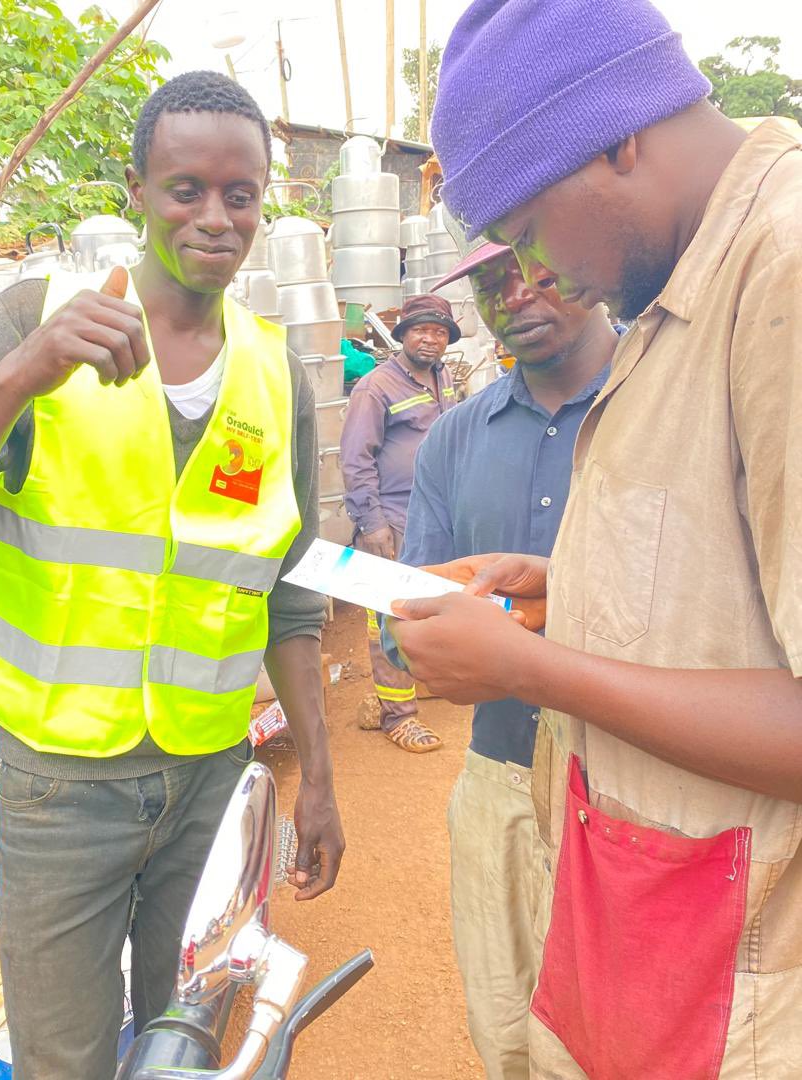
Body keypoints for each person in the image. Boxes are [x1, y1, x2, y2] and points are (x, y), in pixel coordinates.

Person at [0, 71, 344, 1080]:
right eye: (185, 190)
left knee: (187, 1048)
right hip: (60, 792)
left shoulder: (271, 372)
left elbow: (290, 596)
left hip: (209, 784)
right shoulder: (31, 322)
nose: (215, 218)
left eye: (241, 194)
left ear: (264, 201)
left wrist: (321, 785)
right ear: (137, 189)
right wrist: (18, 376)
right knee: (67, 1061)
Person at [391, 2, 802, 1077]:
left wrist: (539, 668)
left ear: (618, 133)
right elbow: (733, 597)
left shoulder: (787, 272)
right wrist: (565, 584)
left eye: (529, 230)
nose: (539, 276)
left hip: (746, 980)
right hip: (659, 926)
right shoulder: (688, 286)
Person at [395, 241, 619, 1078]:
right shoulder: (454, 438)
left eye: (541, 265)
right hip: (497, 777)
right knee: (505, 1022)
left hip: (634, 786)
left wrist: (536, 626)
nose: (518, 294)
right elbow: (406, 619)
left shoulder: (662, 407)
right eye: (492, 280)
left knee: (614, 1038)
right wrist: (428, 639)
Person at [340, 294, 461, 752]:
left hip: (438, 513)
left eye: (439, 332)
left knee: (437, 603)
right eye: (421, 330)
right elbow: (354, 460)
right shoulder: (375, 387)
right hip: (392, 516)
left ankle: (427, 682)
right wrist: (371, 524)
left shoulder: (444, 377)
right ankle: (397, 715)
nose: (431, 338)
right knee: (387, 614)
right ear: (403, 335)